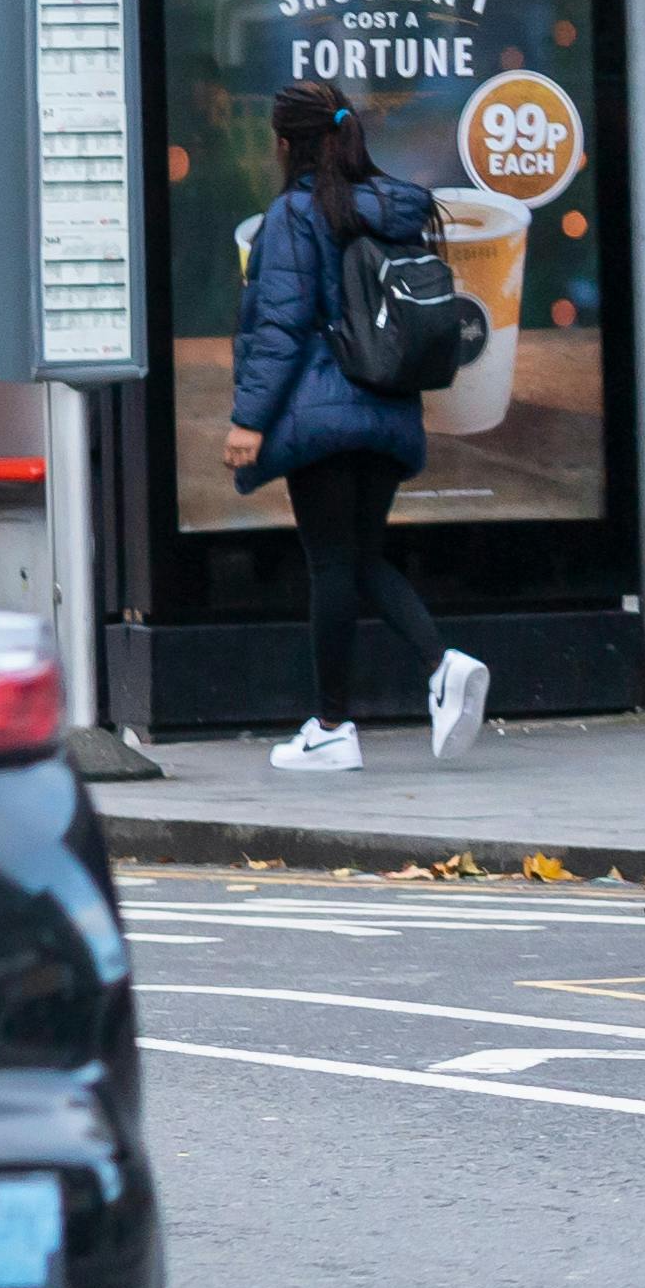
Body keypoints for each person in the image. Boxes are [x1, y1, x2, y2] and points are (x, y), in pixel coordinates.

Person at [230, 78, 487, 773]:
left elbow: (280, 327)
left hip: (321, 411)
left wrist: (248, 421)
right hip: (389, 408)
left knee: (331, 565)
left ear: (286, 143)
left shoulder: (293, 215)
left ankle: (332, 726)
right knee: (362, 558)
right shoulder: (393, 206)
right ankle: (440, 665)